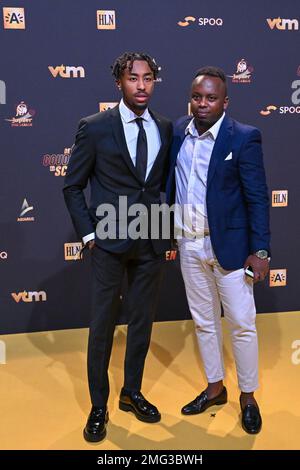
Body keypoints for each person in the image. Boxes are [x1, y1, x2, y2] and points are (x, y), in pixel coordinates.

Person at [63, 52, 172, 442]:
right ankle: (98, 405)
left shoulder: (164, 126)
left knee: (142, 322)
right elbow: (72, 185)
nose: (141, 85)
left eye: (148, 78)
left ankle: (132, 392)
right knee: (103, 327)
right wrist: (89, 236)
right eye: (133, 78)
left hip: (152, 239)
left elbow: (159, 185)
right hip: (108, 240)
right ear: (119, 83)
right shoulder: (93, 127)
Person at [167, 66, 270, 434]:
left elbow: (257, 197)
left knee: (242, 323)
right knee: (204, 321)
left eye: (211, 98)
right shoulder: (177, 132)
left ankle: (248, 395)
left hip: (230, 246)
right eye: (197, 97)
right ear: (190, 99)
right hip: (189, 242)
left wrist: (260, 250)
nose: (203, 104)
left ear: (225, 101)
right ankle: (215, 388)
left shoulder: (244, 137)